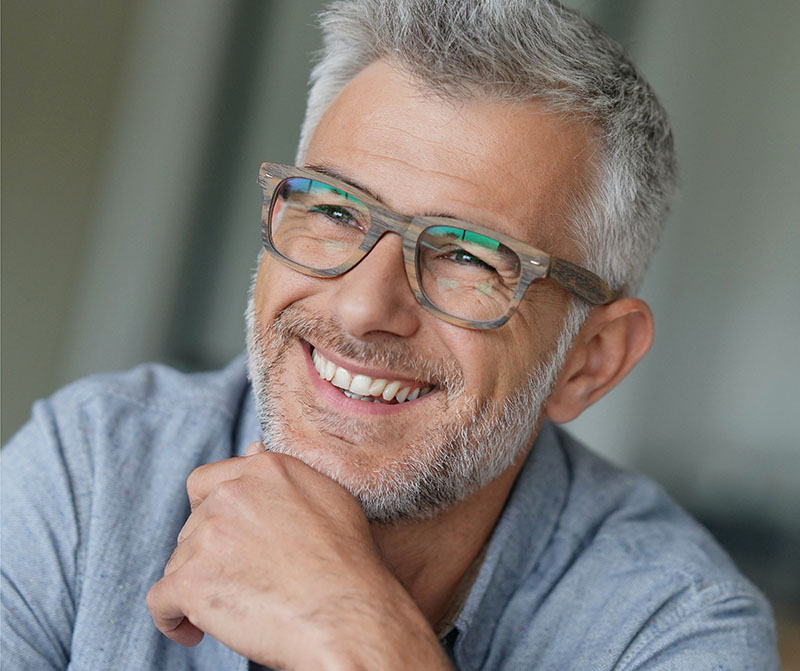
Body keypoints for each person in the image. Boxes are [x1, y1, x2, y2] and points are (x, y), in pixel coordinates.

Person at [1, 1, 779, 669]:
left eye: (470, 255)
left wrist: (359, 634)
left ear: (590, 360)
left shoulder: (670, 629)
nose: (361, 307)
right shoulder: (93, 469)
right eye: (336, 210)